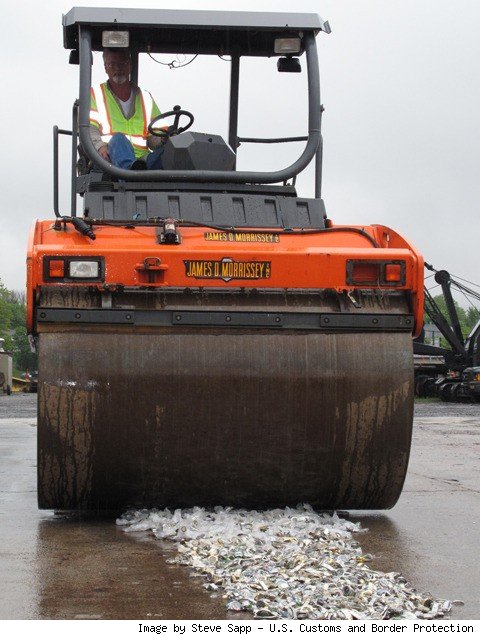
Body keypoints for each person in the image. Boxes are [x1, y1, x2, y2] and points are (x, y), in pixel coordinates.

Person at [89, 48, 164, 170]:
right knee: (118, 138)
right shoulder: (95, 94)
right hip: (108, 161)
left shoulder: (145, 97)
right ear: (105, 68)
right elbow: (89, 128)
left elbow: (154, 139)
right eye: (112, 64)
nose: (118, 69)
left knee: (170, 152)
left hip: (143, 162)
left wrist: (164, 139)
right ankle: (130, 175)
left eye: (122, 63)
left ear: (130, 65)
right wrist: (100, 147)